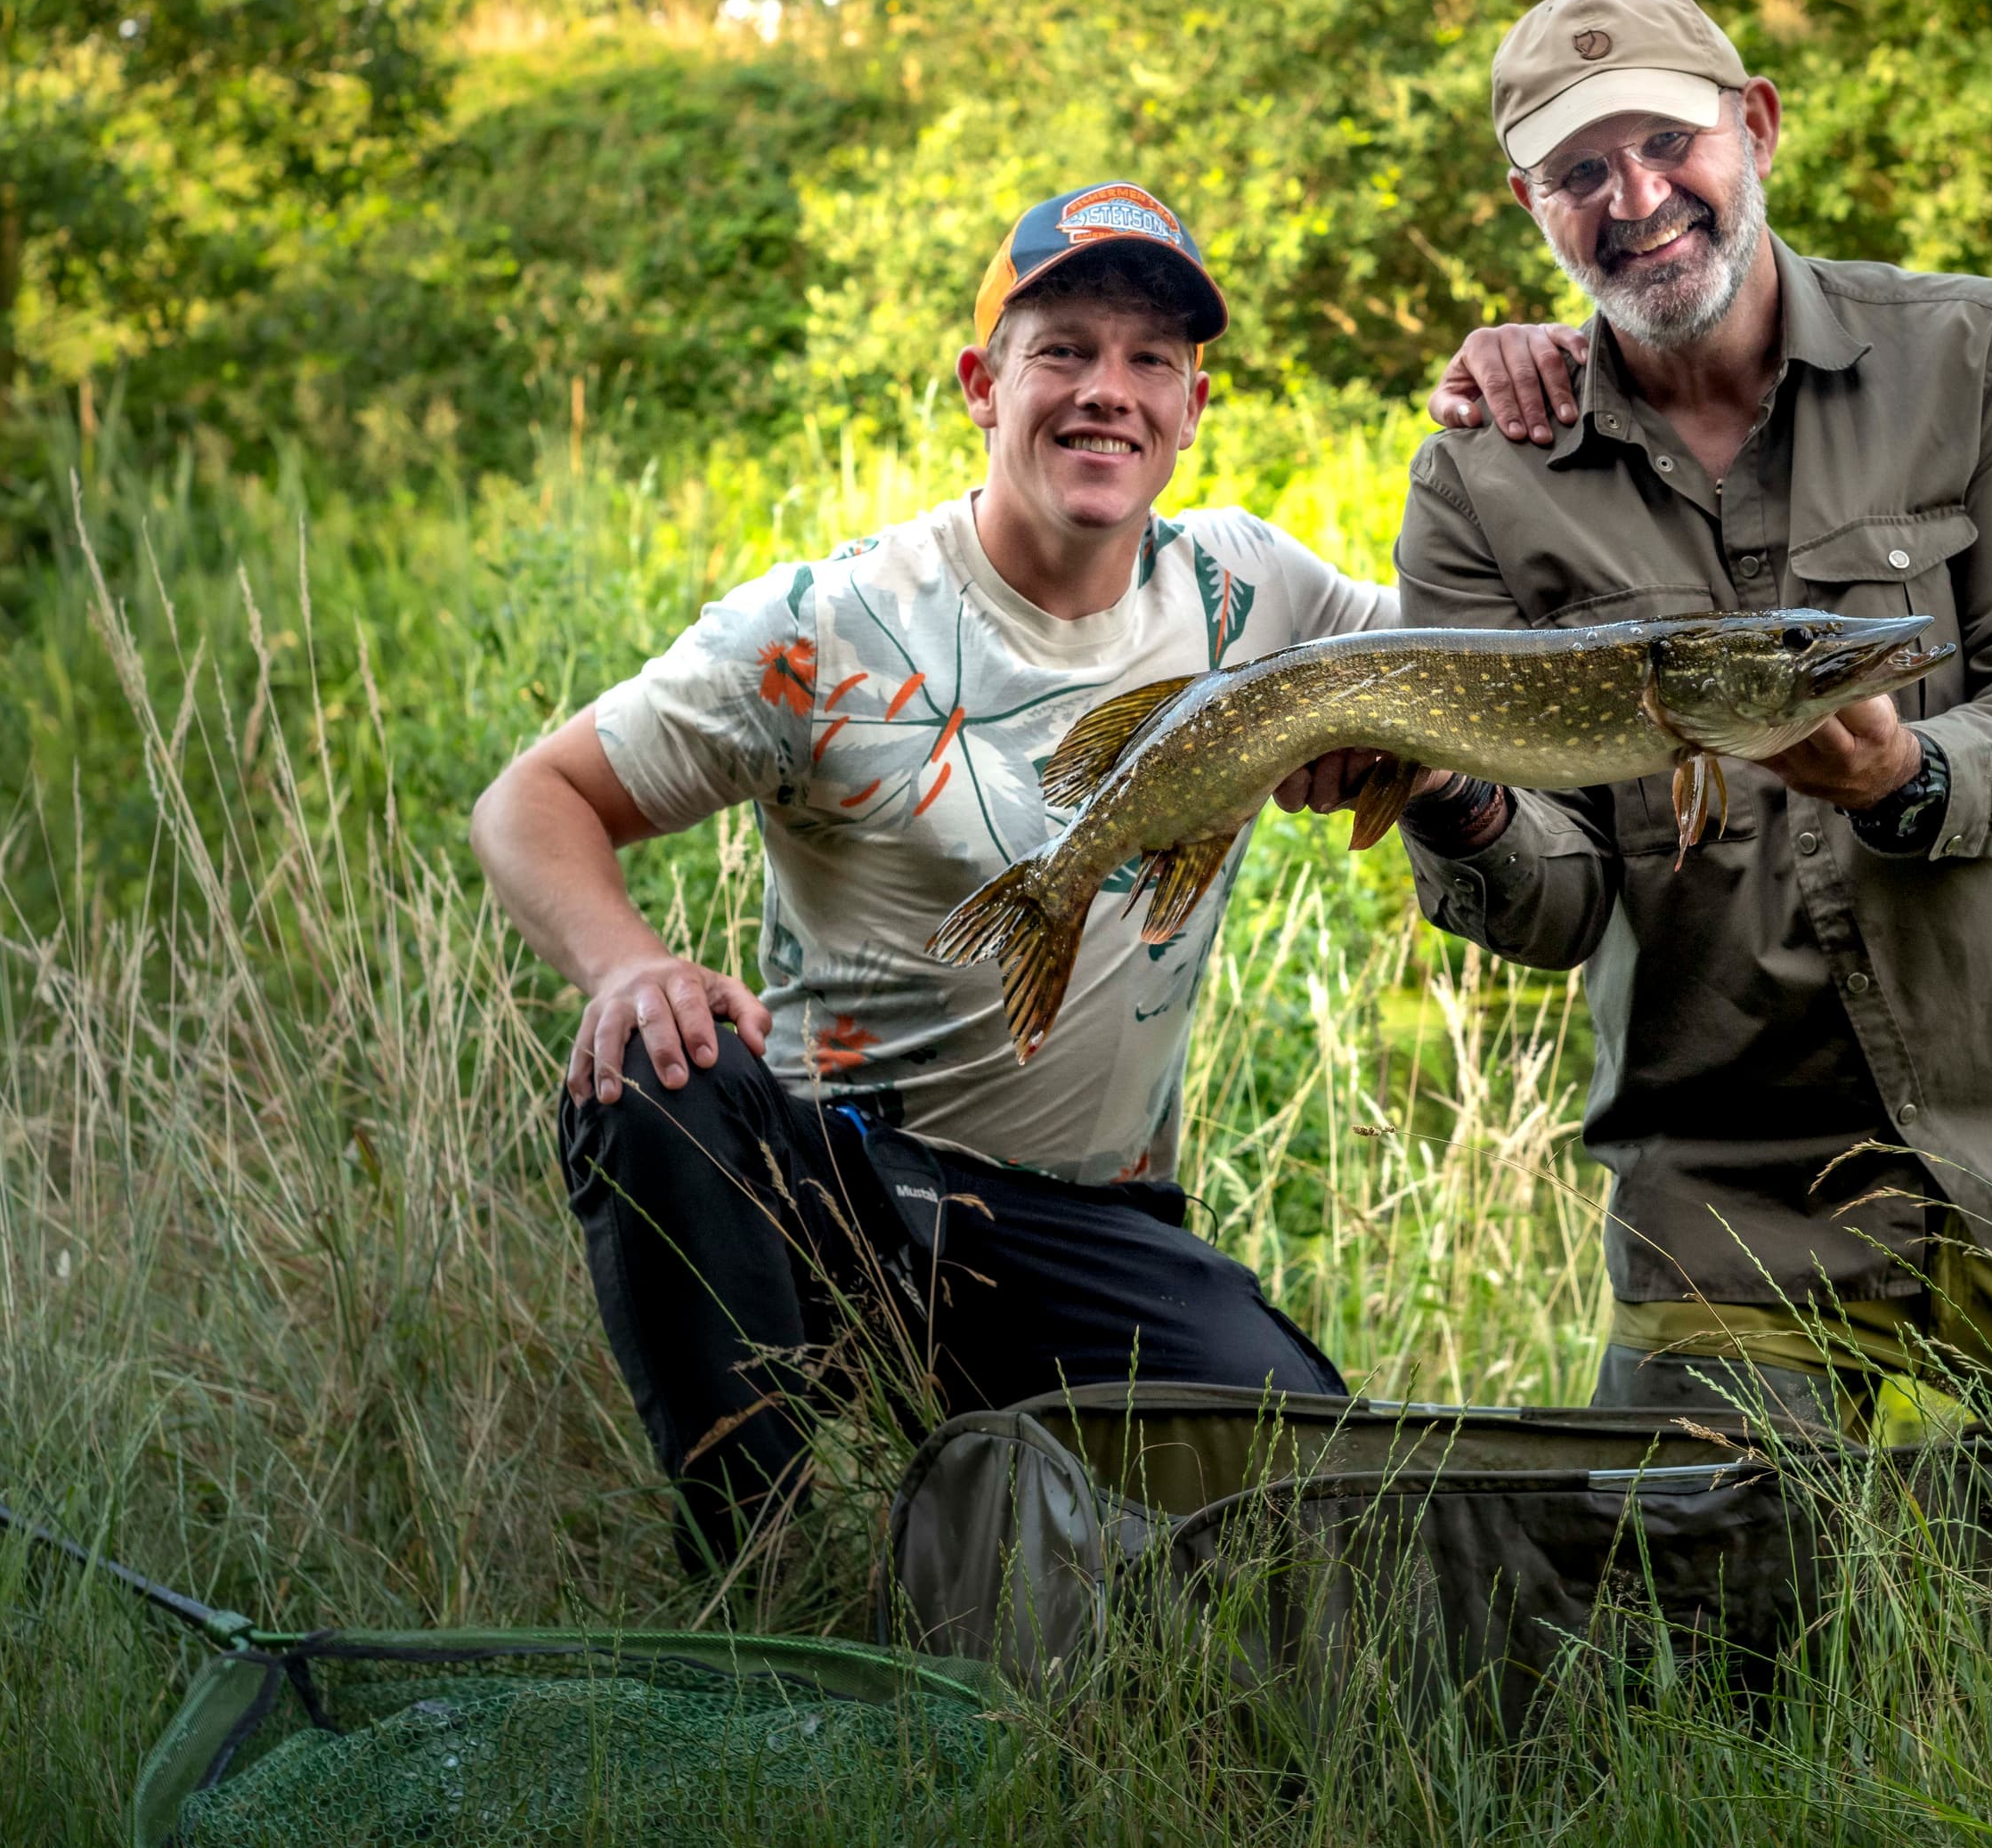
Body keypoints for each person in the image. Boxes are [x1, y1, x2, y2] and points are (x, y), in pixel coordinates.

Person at [1314, 0, 1992, 1547]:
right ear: (1532, 206)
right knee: (1689, 1643)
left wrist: (1903, 779)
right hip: (1726, 1188)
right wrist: (1451, 794)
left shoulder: (1983, 357)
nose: (1636, 200)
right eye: (1581, 171)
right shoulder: (1481, 482)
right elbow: (1555, 906)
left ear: (1757, 126)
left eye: (1669, 143)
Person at [471, 183, 1388, 1566]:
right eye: (1062, 350)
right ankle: (758, 1574)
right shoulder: (831, 623)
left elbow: (1477, 656)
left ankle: (1014, 1523)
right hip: (838, 1196)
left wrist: (1532, 397)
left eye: (1150, 360)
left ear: (1193, 406)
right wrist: (629, 966)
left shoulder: (1253, 595)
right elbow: (531, 799)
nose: (1107, 391)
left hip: (1092, 1224)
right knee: (654, 1075)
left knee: (1329, 1511)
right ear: (981, 385)